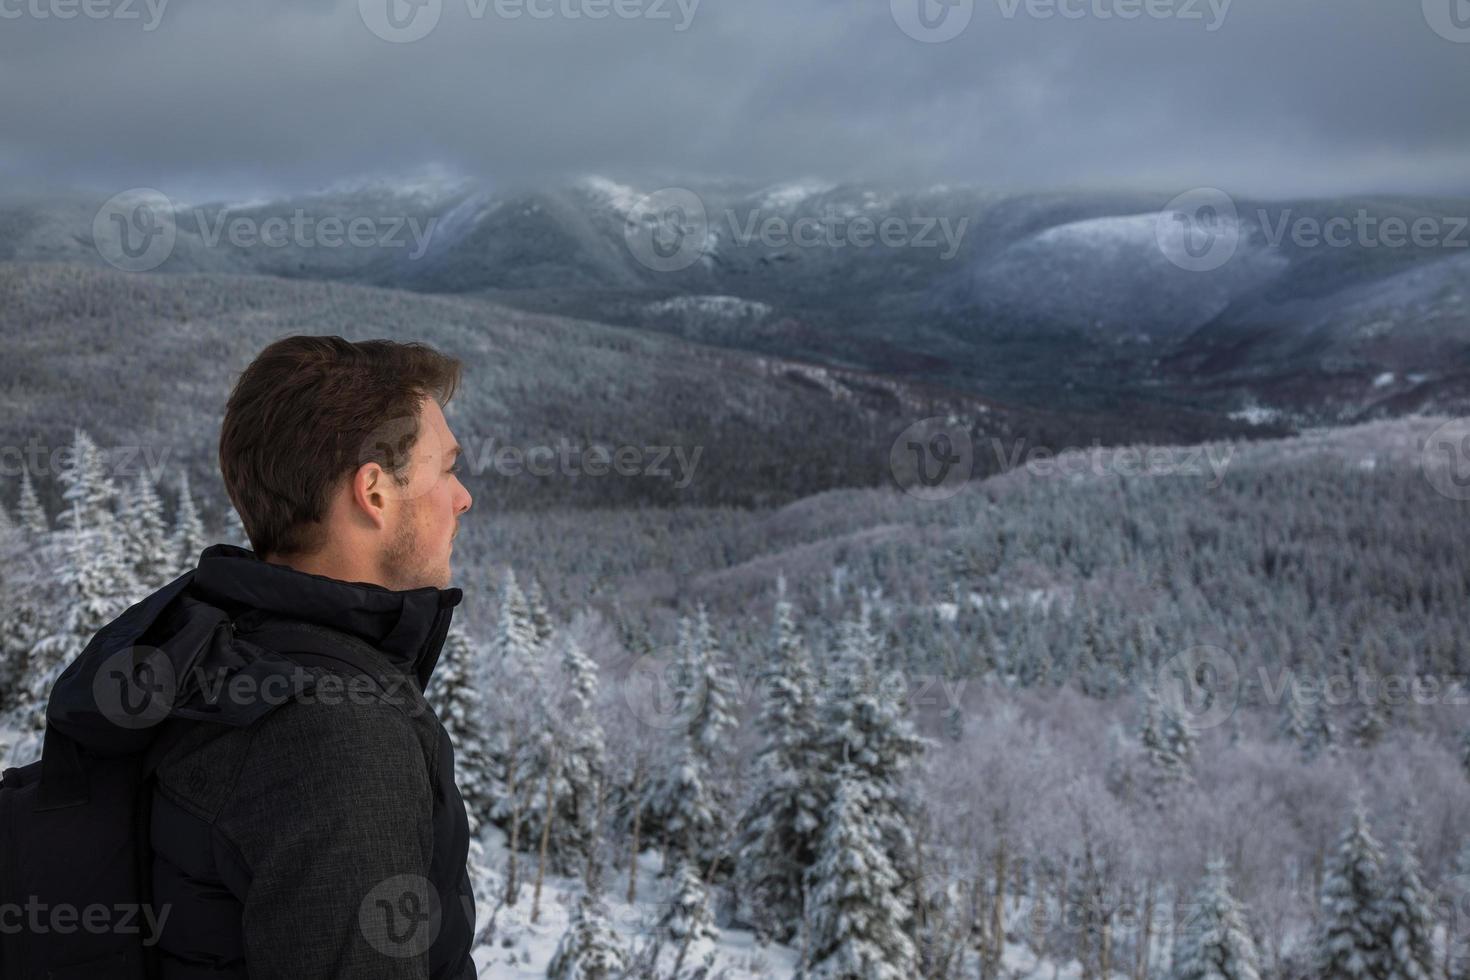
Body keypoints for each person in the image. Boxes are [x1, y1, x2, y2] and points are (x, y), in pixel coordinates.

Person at [43, 336, 478, 978]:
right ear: (375, 493)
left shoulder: (215, 648)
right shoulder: (341, 739)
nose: (462, 496)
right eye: (445, 469)